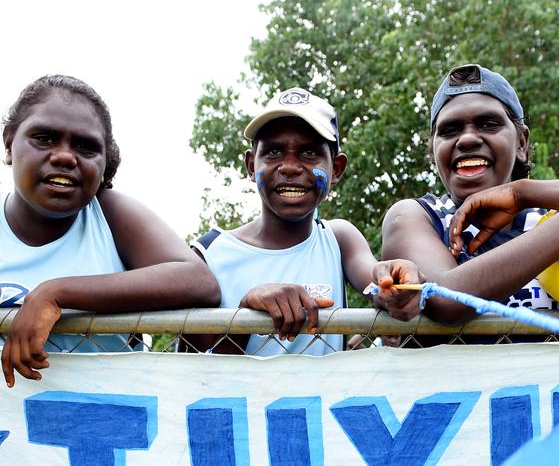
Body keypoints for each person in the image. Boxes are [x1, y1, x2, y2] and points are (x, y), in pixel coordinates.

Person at [382, 63, 559, 327]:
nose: (466, 140)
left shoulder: (552, 213)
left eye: (488, 124)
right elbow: (446, 301)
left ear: (521, 143)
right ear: (434, 151)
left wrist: (523, 192)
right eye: (450, 130)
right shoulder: (417, 217)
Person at [0, 75, 220, 387]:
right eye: (45, 138)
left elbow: (200, 282)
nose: (64, 156)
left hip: (108, 424)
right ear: (9, 144)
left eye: (85, 146)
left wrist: (54, 293)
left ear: (105, 164)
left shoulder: (108, 214)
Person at [187, 87, 424, 356]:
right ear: (252, 165)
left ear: (336, 169)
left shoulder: (339, 238)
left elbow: (377, 286)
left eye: (309, 153)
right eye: (274, 152)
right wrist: (245, 314)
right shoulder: (209, 254)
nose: (289, 166)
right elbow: (192, 373)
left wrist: (394, 284)